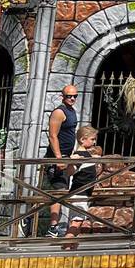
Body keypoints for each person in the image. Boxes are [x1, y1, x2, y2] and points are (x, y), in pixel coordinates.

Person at [44, 84, 80, 238]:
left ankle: (35, 217)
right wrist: (58, 158)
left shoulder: (72, 111)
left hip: (66, 157)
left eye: (74, 96)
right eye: (68, 96)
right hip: (57, 158)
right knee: (59, 191)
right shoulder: (59, 112)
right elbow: (52, 135)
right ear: (62, 97)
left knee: (62, 191)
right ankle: (52, 227)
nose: (72, 98)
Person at [66, 126, 102, 235]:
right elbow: (70, 172)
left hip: (83, 193)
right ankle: (66, 244)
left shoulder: (86, 154)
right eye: (92, 139)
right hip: (79, 193)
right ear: (82, 140)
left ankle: (70, 245)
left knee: (78, 223)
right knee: (76, 223)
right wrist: (71, 162)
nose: (94, 142)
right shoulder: (79, 155)